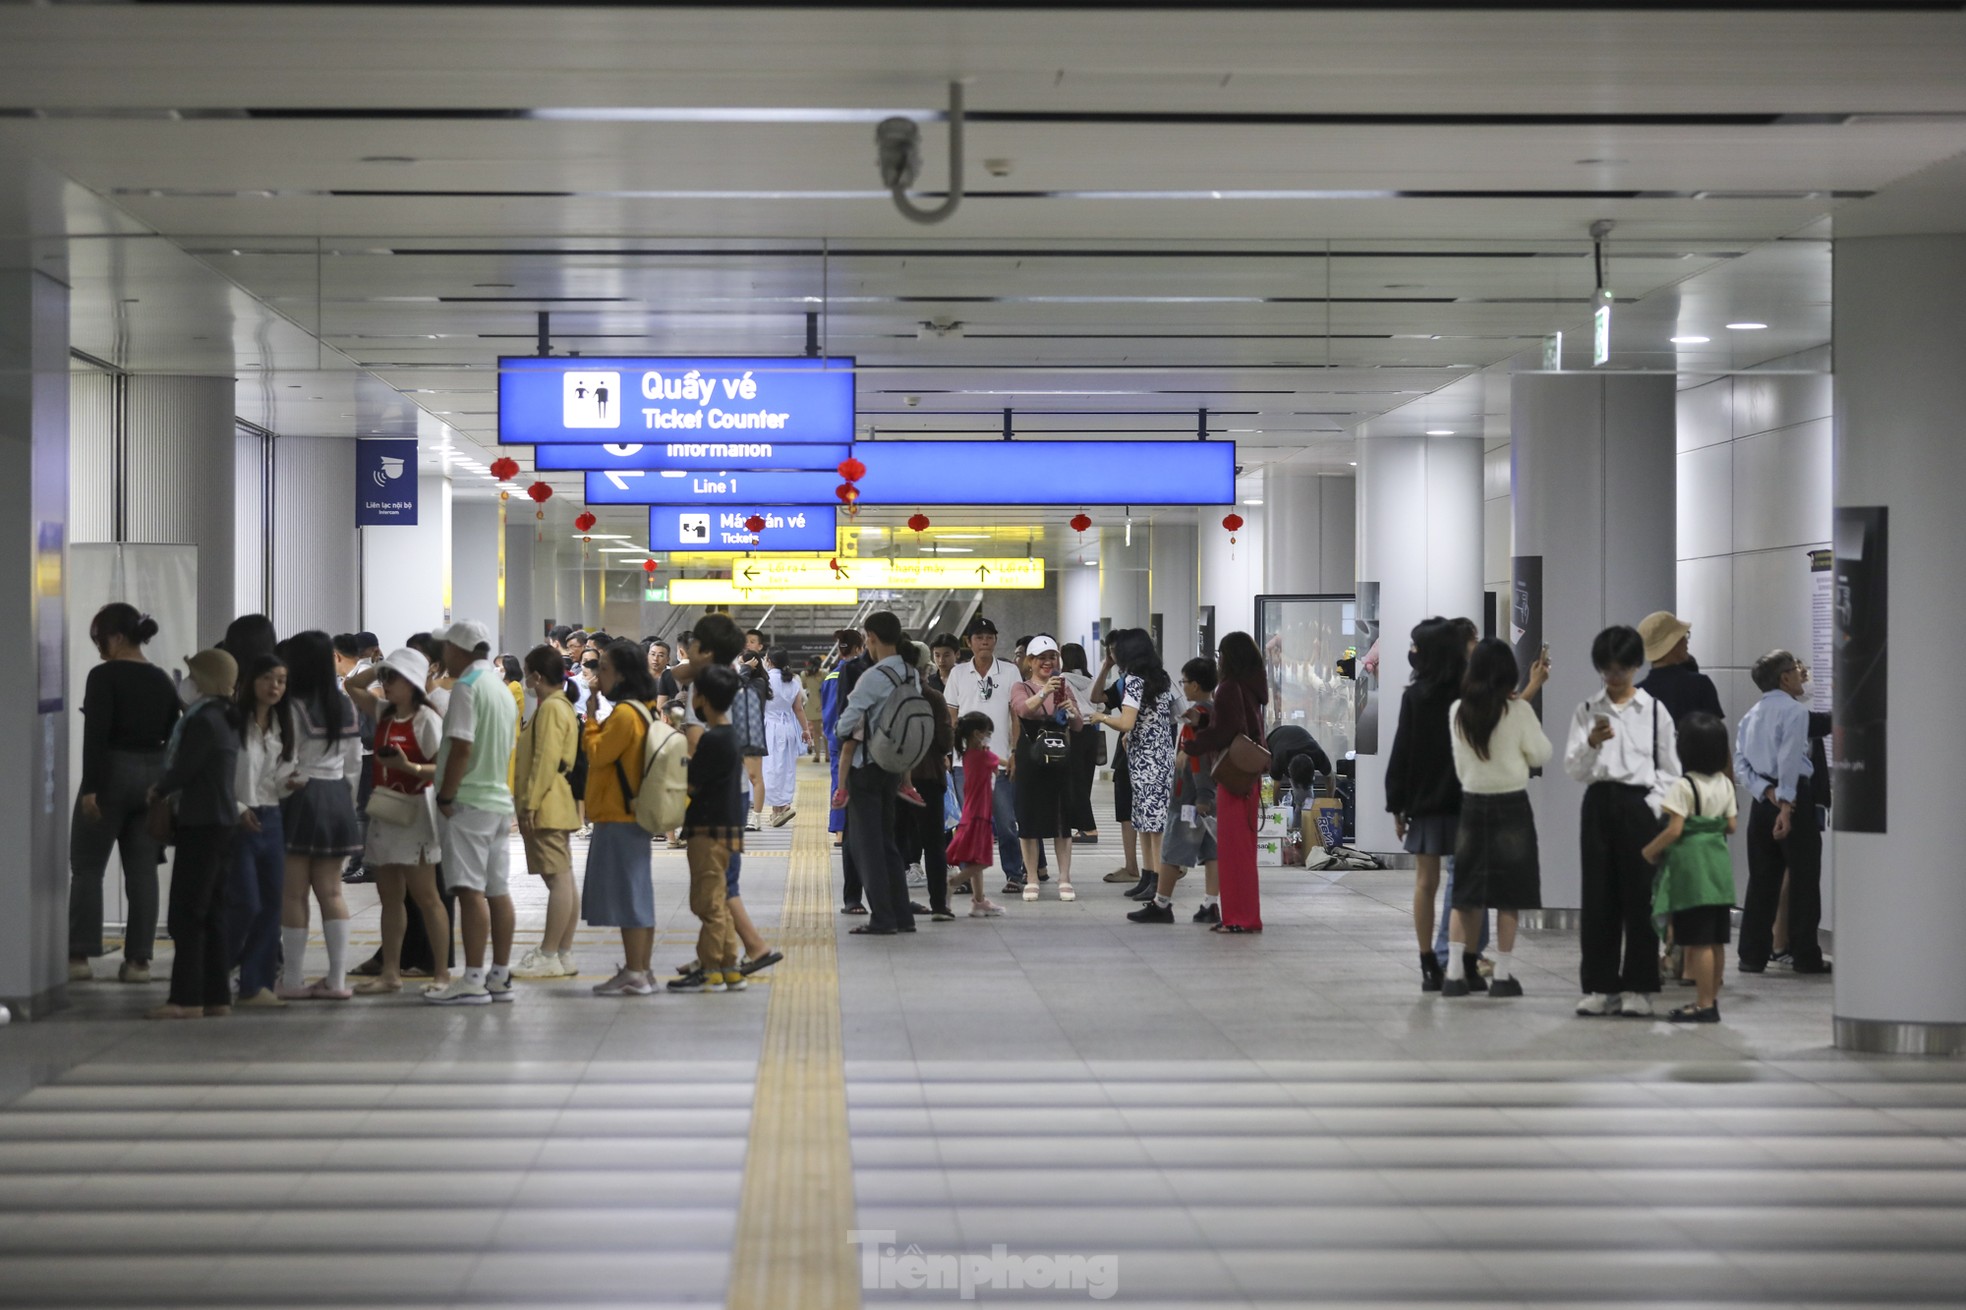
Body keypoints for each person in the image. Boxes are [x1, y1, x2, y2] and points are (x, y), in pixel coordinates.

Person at [1563, 624, 1680, 1018]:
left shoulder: (1655, 710)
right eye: (1607, 670)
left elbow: (1670, 768)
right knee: (1597, 898)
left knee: (1640, 899)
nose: (1614, 678)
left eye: (1621, 670)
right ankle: (1599, 986)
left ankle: (1639, 987)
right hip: (1598, 803)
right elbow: (1573, 768)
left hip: (1639, 804)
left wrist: (1651, 806)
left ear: (1635, 666)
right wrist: (1592, 742)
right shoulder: (1587, 709)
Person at [69, 603, 179, 983]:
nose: (100, 647)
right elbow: (172, 731)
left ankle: (79, 958)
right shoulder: (163, 679)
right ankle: (139, 963)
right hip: (153, 777)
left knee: (86, 868)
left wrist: (91, 790)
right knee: (142, 872)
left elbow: (95, 736)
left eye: (100, 639)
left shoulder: (104, 676)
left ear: (116, 637)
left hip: (112, 773)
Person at [1445, 638, 1553, 998]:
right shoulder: (1518, 712)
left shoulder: (1458, 711)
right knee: (1510, 893)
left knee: (1466, 894)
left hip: (1471, 807)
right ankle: (1503, 977)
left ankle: (1455, 974)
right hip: (1511, 809)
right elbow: (1540, 754)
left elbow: (1462, 764)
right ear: (1508, 672)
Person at [424, 620, 520, 1006]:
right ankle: (499, 975)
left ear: (460, 650)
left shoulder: (466, 688)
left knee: (469, 890)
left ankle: (474, 978)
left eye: (446, 646)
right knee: (497, 890)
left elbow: (461, 747)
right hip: (497, 799)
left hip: (468, 800)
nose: (443, 653)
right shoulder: (499, 688)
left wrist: (446, 796)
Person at [343, 647, 449, 996]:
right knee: (389, 897)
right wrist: (380, 667)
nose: (387, 685)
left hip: (416, 814)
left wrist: (411, 768)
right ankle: (391, 972)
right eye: (386, 678)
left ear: (414, 682)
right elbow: (352, 687)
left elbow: (446, 767)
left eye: (395, 679)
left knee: (426, 896)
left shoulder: (427, 719)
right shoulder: (385, 711)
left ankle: (441, 975)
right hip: (385, 812)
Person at [147, 650, 243, 1020]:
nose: (187, 680)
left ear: (206, 679)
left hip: (202, 823)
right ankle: (217, 997)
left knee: (187, 914)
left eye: (193, 674)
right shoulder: (226, 717)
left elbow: (184, 770)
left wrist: (158, 789)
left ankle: (184, 1000)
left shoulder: (204, 721)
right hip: (221, 822)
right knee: (213, 911)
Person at [275, 631, 364, 1001]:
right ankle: (337, 980)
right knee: (332, 891)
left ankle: (293, 980)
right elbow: (354, 762)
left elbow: (285, 760)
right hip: (337, 796)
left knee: (294, 894)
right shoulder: (345, 704)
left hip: (301, 794)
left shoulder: (291, 706)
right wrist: (348, 799)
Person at [1384, 619, 1469, 991]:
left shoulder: (1414, 695)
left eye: (1416, 646)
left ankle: (1426, 961)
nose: (1412, 652)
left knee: (1426, 883)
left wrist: (1397, 806)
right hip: (1467, 800)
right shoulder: (1469, 693)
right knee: (1463, 885)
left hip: (1426, 803)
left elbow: (1402, 751)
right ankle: (1459, 961)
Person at [1735, 649, 1829, 975]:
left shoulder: (1750, 715)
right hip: (1793, 803)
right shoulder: (1794, 713)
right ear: (1784, 678)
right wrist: (1787, 807)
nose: (1801, 675)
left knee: (1761, 880)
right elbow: (1790, 761)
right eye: (1795, 669)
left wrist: (1766, 792)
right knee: (1803, 879)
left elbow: (1740, 765)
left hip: (1762, 802)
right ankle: (1806, 957)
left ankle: (1751, 955)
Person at [578, 640, 664, 996]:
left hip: (620, 813)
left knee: (631, 896)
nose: (600, 675)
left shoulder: (626, 714)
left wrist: (591, 719)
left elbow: (597, 754)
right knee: (637, 892)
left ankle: (635, 972)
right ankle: (641, 969)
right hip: (631, 811)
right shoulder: (643, 710)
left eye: (606, 669)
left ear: (622, 675)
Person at [1643, 712, 1739, 1022]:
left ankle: (1703, 1004)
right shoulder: (1725, 784)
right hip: (1719, 869)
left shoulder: (1683, 786)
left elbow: (1674, 830)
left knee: (1697, 943)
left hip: (1692, 871)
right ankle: (1712, 1000)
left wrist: (1648, 852)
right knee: (1716, 940)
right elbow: (1731, 826)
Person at [833, 611, 923, 936]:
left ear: (870, 638)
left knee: (867, 846)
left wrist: (843, 729)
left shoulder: (872, 677)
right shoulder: (910, 673)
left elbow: (845, 724)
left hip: (866, 768)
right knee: (887, 844)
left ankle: (883, 918)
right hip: (894, 767)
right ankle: (902, 915)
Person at [669, 663, 749, 992]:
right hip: (726, 828)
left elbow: (691, 783)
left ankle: (711, 969)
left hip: (708, 830)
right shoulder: (729, 736)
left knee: (708, 903)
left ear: (702, 698)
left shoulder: (713, 740)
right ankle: (729, 966)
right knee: (717, 898)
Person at [1184, 631, 1269, 933]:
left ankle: (1239, 918)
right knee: (1243, 853)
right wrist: (1205, 722)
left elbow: (1227, 732)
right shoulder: (1250, 686)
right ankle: (1243, 915)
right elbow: (1236, 725)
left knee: (1233, 854)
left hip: (1233, 780)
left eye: (1221, 654)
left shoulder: (1229, 687)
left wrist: (1194, 744)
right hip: (1248, 777)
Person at [1088, 630, 1179, 911]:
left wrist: (1101, 717)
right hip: (1153, 758)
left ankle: (1156, 880)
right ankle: (1149, 877)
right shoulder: (1160, 680)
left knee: (1153, 824)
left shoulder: (1135, 683)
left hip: (1148, 760)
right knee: (1145, 821)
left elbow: (1126, 722)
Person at [230, 651, 298, 1008]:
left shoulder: (282, 725)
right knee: (244, 902)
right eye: (269, 678)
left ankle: (256, 984)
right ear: (250, 681)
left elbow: (281, 775)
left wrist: (293, 783)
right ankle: (218, 969)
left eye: (282, 680)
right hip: (237, 817)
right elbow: (220, 774)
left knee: (271, 903)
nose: (275, 687)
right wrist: (237, 808)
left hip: (271, 816)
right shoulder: (232, 722)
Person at [1129, 657, 1220, 924]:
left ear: (1194, 685)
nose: (1182, 686)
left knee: (1171, 851)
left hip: (1191, 801)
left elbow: (1200, 760)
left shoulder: (1200, 716)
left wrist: (1202, 796)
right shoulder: (1215, 712)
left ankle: (1161, 903)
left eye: (1184, 681)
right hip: (1208, 799)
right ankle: (1211, 904)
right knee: (1212, 852)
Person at [943, 616, 1028, 894]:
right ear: (969, 642)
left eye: (989, 637)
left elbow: (1016, 716)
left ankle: (1015, 874)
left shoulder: (1010, 672)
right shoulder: (957, 674)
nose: (984, 642)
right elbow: (951, 717)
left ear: (995, 639)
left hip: (1000, 760)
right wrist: (949, 751)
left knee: (1006, 822)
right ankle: (966, 877)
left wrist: (1015, 751)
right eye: (979, 637)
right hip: (963, 763)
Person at [512, 645, 582, 980]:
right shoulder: (560, 705)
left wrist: (529, 803)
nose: (526, 679)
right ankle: (562, 952)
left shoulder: (552, 708)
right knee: (563, 879)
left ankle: (550, 952)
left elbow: (545, 759)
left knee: (557, 881)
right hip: (555, 801)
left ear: (537, 676)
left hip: (547, 802)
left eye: (527, 673)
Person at [1009, 635, 1084, 902]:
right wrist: (1044, 692)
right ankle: (1031, 877)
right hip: (1031, 759)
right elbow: (1022, 710)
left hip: (1059, 759)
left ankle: (1064, 877)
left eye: (1052, 657)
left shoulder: (1064, 687)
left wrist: (1071, 710)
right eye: (1042, 658)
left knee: (1062, 819)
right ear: (1030, 662)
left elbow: (1077, 726)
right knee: (1028, 820)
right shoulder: (1021, 686)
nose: (1048, 662)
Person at [943, 713, 1008, 917]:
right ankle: (952, 883)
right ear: (977, 734)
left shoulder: (968, 755)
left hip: (972, 814)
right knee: (984, 860)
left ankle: (979, 901)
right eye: (988, 733)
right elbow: (1008, 765)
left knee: (974, 860)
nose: (989, 737)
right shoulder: (984, 756)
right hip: (979, 815)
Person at [1093, 632, 1141, 887]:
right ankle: (1132, 865)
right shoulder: (1123, 682)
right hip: (1125, 753)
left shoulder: (1145, 679)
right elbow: (1097, 697)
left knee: (1151, 811)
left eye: (1116, 650)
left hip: (1143, 750)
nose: (1114, 655)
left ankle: (1164, 865)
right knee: (1126, 809)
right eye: (1110, 650)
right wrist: (1105, 668)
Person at [822, 628, 867, 871]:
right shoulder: (863, 674)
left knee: (838, 785)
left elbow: (828, 711)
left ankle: (839, 832)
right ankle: (856, 830)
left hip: (836, 739)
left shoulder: (831, 676)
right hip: (859, 738)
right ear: (860, 648)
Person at [1636, 611, 1724, 726]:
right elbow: (1717, 738)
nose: (1686, 641)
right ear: (1672, 644)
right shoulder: (1700, 685)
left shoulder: (1637, 694)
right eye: (1683, 636)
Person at [1058, 642, 1101, 844]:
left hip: (1074, 731)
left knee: (1075, 782)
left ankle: (1088, 827)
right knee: (1085, 780)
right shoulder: (1091, 680)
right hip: (1092, 731)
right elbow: (1101, 705)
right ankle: (1082, 824)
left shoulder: (1062, 679)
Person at [762, 648, 810, 826]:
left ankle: (780, 808)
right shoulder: (793, 681)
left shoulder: (765, 679)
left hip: (769, 728)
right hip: (789, 728)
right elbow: (798, 709)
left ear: (769, 661)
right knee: (787, 768)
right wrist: (806, 730)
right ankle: (780, 808)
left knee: (772, 768)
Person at [732, 650, 772, 831]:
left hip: (752, 735)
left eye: (743, 664)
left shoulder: (759, 683)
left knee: (755, 777)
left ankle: (756, 818)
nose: (740, 668)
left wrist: (746, 669)